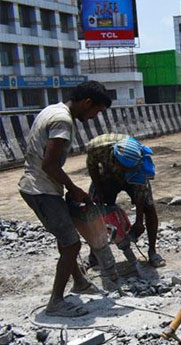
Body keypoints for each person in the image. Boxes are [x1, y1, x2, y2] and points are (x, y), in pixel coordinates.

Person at [18, 81, 112, 317]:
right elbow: (48, 164)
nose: (93, 117)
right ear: (87, 103)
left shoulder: (53, 109)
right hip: (41, 189)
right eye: (95, 111)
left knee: (66, 235)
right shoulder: (63, 120)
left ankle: (79, 282)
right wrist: (73, 187)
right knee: (72, 244)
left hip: (40, 186)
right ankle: (56, 303)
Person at [86, 134, 165, 268]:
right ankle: (94, 255)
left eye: (129, 168)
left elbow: (140, 192)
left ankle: (152, 252)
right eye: (124, 167)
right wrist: (99, 192)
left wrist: (139, 221)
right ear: (115, 159)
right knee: (95, 211)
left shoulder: (140, 164)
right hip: (106, 175)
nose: (126, 170)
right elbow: (92, 166)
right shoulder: (98, 147)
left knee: (149, 208)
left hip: (133, 179)